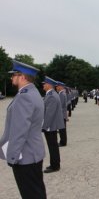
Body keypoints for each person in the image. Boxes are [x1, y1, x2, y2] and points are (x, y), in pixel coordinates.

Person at [0, 60, 47, 198]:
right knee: (37, 191)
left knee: (31, 194)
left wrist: (12, 156)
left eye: (14, 75)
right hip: (33, 153)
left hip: (25, 156)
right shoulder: (33, 93)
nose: (11, 78)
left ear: (22, 76)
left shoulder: (24, 97)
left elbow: (19, 131)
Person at [42, 77, 65, 173]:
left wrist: (44, 127)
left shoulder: (51, 96)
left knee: (52, 146)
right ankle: (55, 163)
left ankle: (55, 166)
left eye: (44, 84)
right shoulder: (51, 94)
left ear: (49, 85)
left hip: (50, 126)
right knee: (53, 146)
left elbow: (49, 114)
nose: (43, 85)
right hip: (51, 126)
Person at [56, 81, 68, 147]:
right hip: (63, 114)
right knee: (62, 129)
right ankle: (63, 141)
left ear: (60, 87)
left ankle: (63, 142)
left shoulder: (61, 94)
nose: (56, 88)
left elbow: (60, 106)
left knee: (62, 129)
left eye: (57, 86)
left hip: (61, 114)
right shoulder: (62, 93)